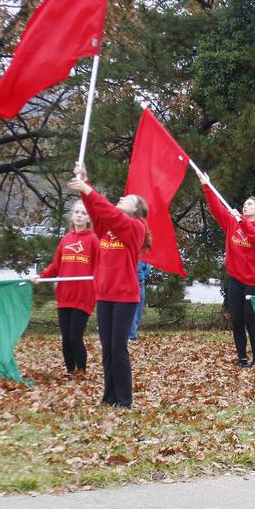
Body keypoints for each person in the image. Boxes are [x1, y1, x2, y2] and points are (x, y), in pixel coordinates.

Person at [67, 164, 149, 408]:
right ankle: (109, 396)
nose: (122, 198)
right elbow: (98, 211)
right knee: (106, 349)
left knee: (118, 348)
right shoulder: (108, 228)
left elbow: (112, 215)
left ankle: (124, 399)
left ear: (136, 209)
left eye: (128, 198)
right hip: (105, 295)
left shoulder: (136, 227)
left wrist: (88, 190)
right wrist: (85, 183)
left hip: (125, 297)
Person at [195, 169, 255, 367]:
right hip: (236, 278)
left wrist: (241, 221)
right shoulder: (233, 223)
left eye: (250, 205)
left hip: (254, 281)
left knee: (250, 320)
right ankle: (242, 358)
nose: (245, 206)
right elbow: (216, 209)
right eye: (244, 204)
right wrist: (207, 185)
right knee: (237, 319)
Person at [30, 201, 98, 376]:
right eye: (76, 212)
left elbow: (100, 267)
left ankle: (81, 371)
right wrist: (41, 277)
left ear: (89, 217)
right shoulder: (66, 239)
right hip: (64, 296)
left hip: (83, 296)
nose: (79, 215)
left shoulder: (92, 240)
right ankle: (70, 371)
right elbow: (55, 266)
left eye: (83, 213)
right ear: (72, 215)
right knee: (66, 338)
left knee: (75, 337)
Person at [129, 260, 152, 340]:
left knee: (137, 311)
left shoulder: (142, 255)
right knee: (130, 310)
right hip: (128, 284)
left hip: (139, 284)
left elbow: (148, 267)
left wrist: (141, 277)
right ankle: (131, 335)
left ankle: (132, 334)